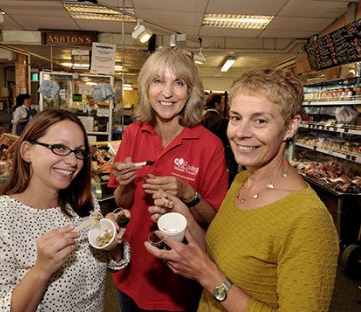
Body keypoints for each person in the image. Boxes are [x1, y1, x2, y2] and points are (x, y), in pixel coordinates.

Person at [145, 68, 340, 311]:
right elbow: (221, 251)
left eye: (260, 121)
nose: (241, 133)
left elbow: (214, 273)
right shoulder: (241, 180)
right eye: (236, 118)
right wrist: (184, 215)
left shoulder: (309, 220)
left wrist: (208, 276)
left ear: (290, 127)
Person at [0, 109, 131, 312]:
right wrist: (41, 270)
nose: (73, 162)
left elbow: (106, 265)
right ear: (27, 151)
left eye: (79, 152)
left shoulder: (84, 204)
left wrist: (111, 242)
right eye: (60, 147)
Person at [108, 46, 229, 311]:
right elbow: (121, 201)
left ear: (191, 91)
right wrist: (126, 181)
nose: (167, 92)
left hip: (180, 280)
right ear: (146, 87)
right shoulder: (133, 133)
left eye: (179, 83)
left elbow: (215, 220)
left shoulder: (209, 145)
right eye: (158, 80)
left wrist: (188, 193)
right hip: (131, 271)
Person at [202, 93, 238, 185]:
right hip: (219, 157)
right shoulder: (222, 121)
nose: (222, 106)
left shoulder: (201, 119)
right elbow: (227, 144)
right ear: (217, 104)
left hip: (203, 157)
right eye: (221, 103)